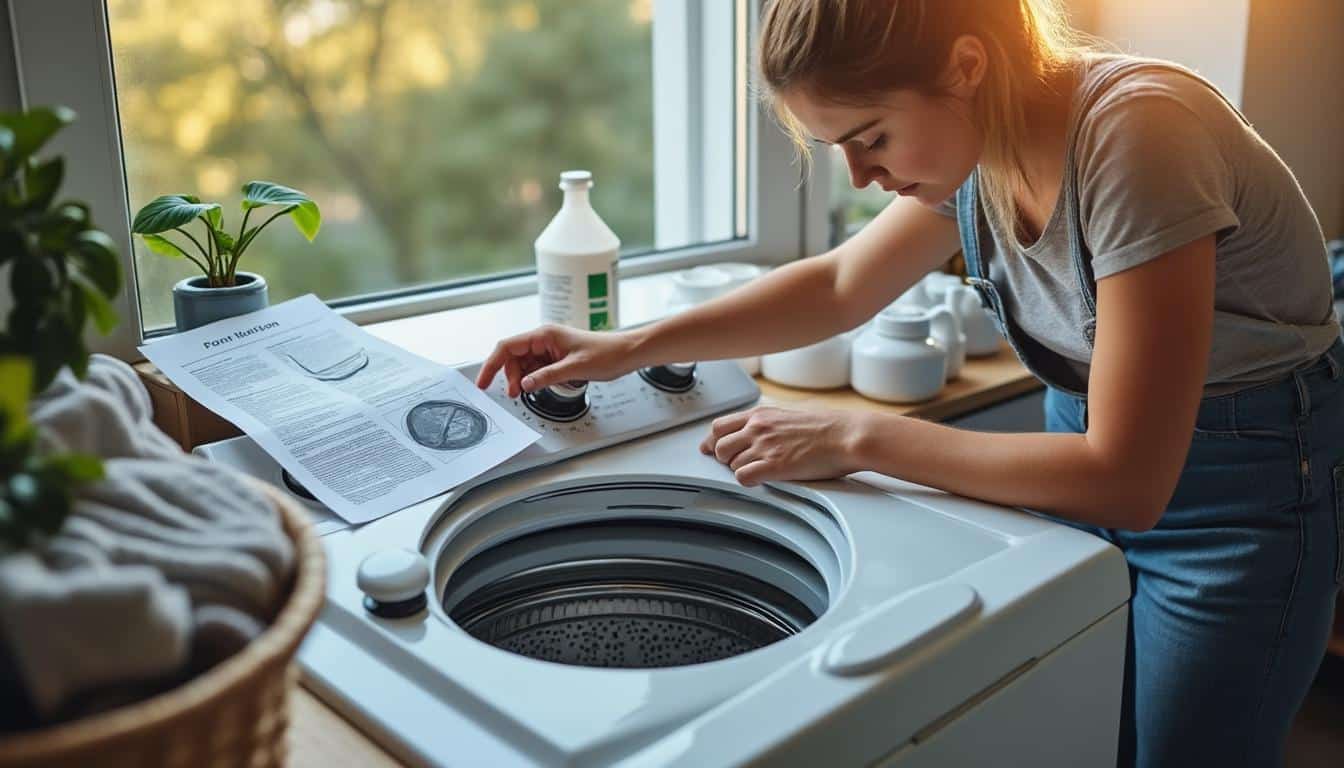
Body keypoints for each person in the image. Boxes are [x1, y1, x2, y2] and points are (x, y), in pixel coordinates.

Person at [476, 2, 1343, 764]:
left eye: (872, 138)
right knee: (1086, 734)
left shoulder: (1138, 136)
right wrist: (620, 346)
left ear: (968, 66)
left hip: (1241, 494)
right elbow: (839, 285)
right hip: (1076, 452)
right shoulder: (981, 145)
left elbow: (1128, 477)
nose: (859, 178)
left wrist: (858, 437)